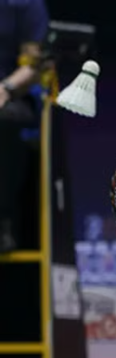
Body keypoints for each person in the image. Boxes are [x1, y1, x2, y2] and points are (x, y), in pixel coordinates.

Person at [0, 0, 49, 252]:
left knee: (5, 119)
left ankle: (3, 221)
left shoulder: (24, 4)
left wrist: (5, 88)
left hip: (11, 97)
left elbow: (34, 64)